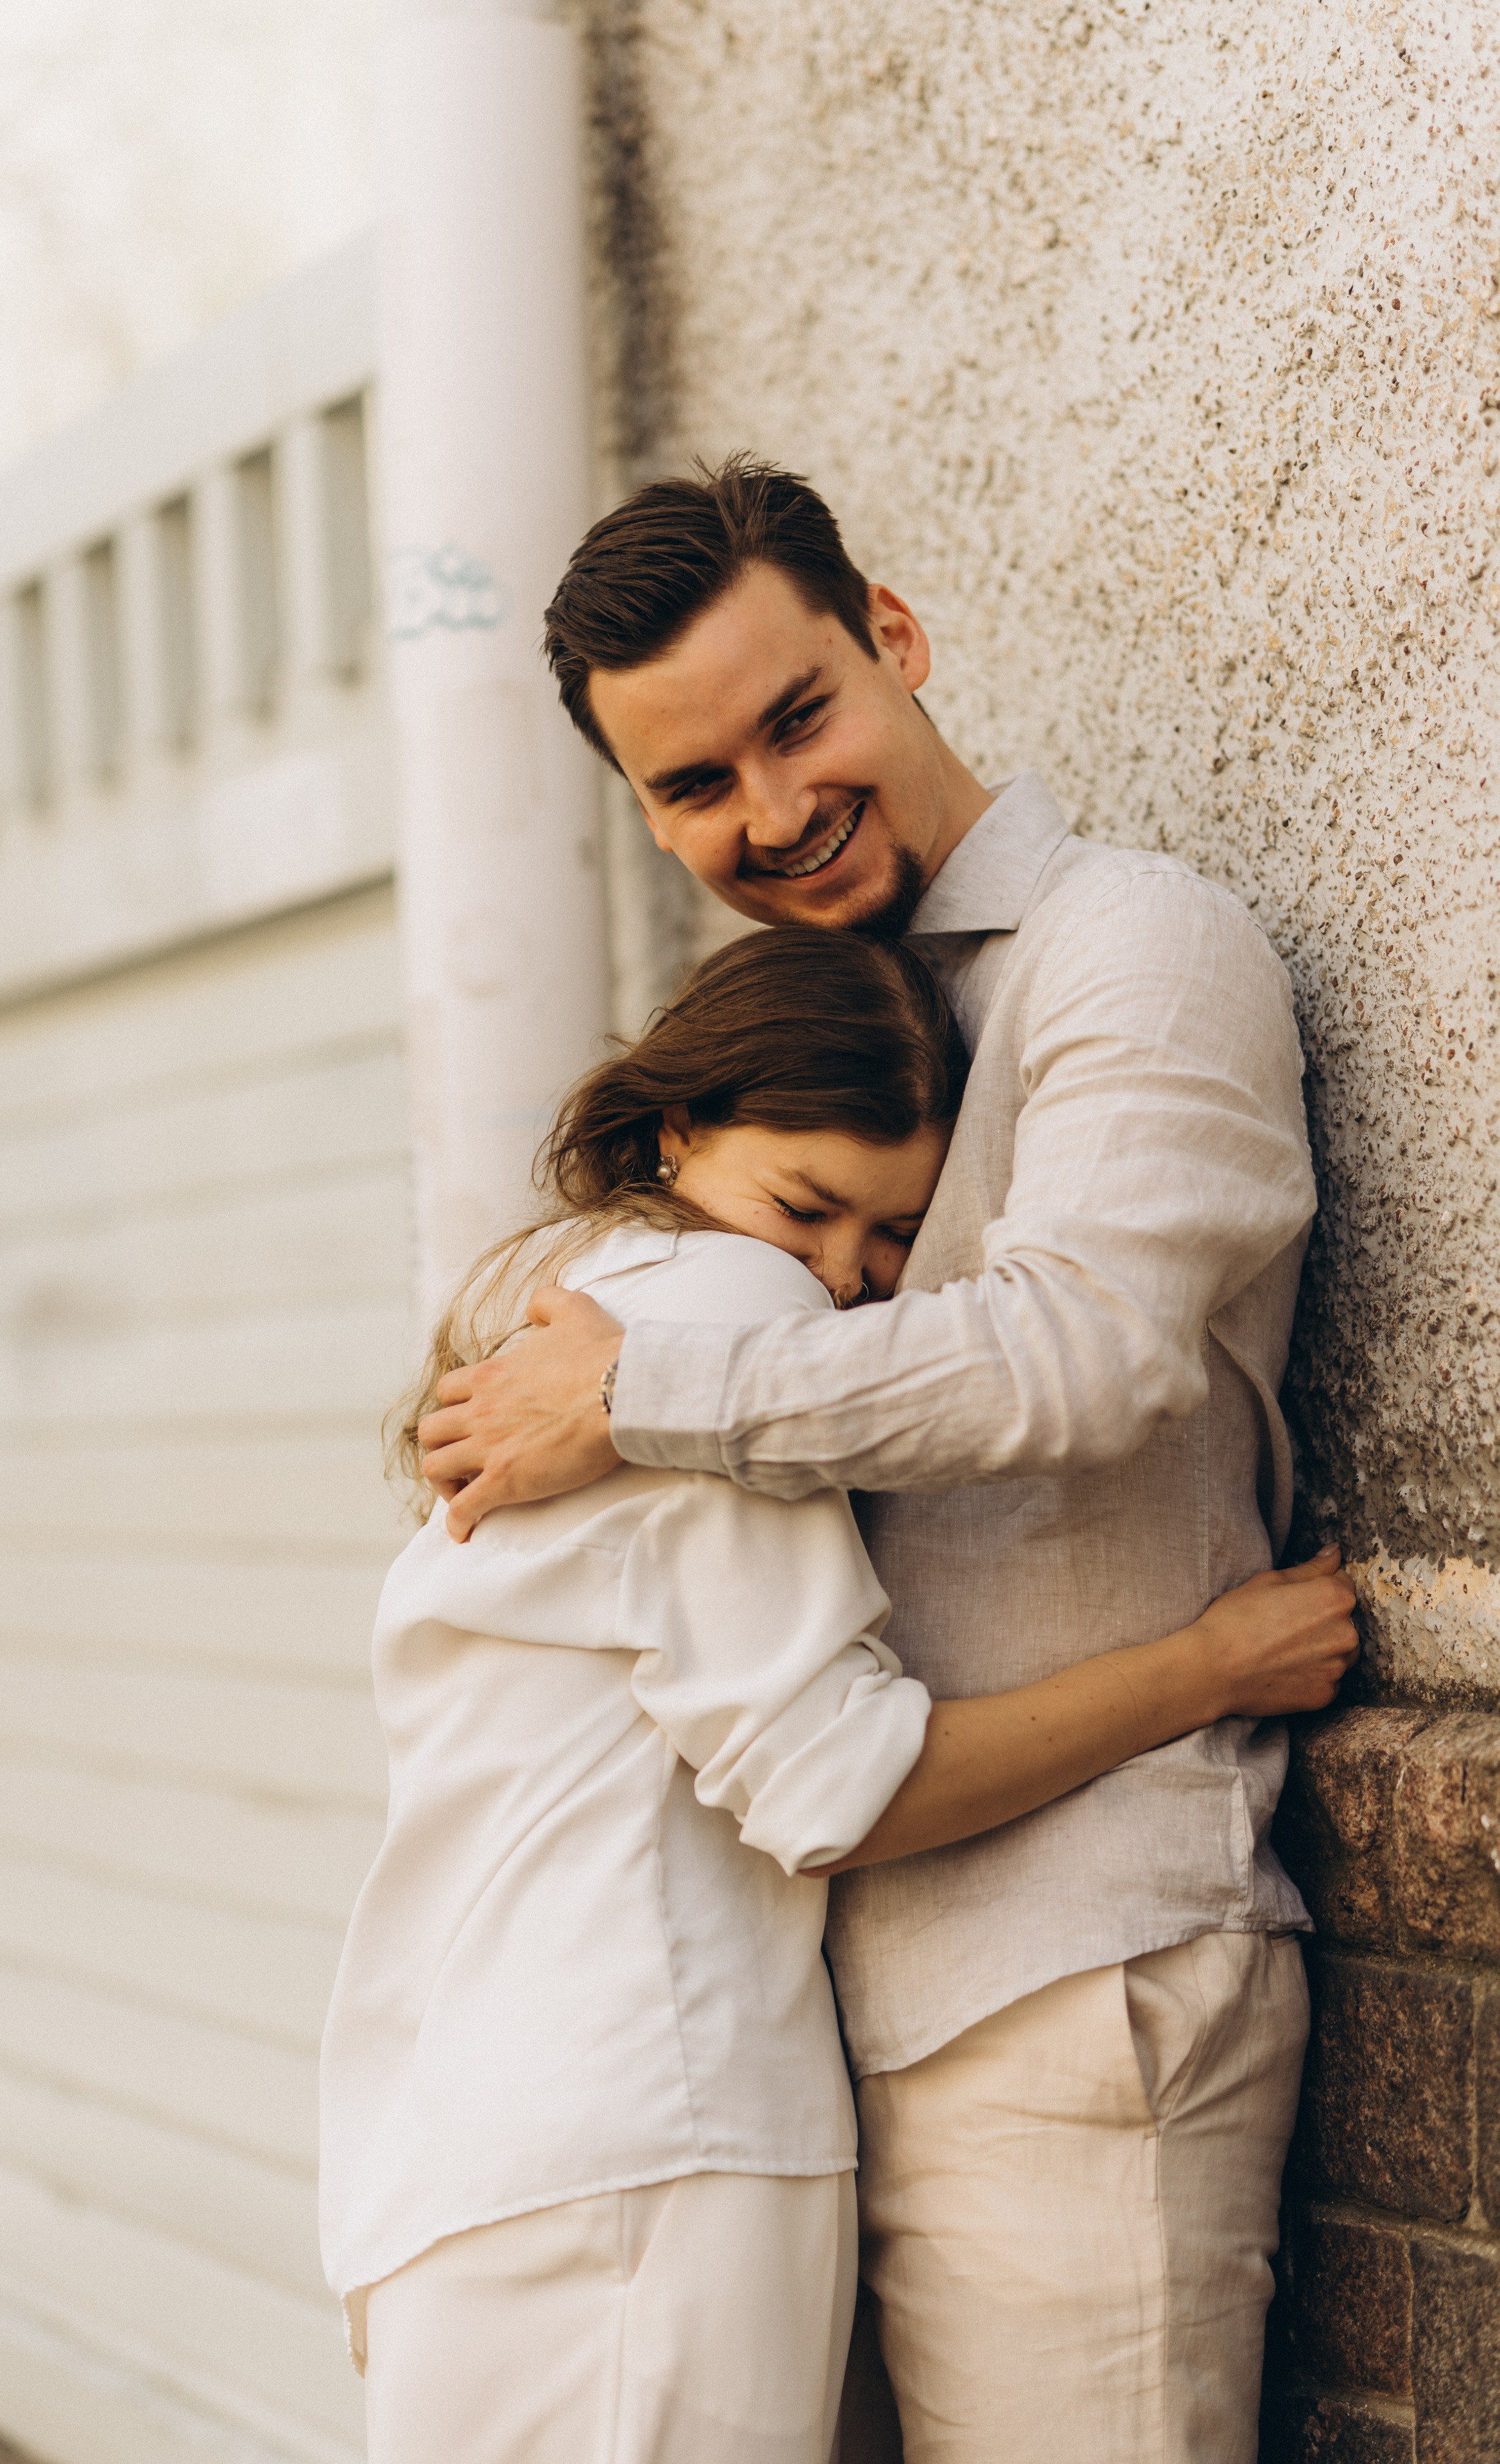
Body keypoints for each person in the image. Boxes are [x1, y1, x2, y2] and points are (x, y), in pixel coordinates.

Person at [417, 459, 1327, 2462]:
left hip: (1079, 1977)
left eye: (799, 715)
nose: (770, 807)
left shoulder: (1134, 952)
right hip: (817, 2015)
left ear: (893, 643)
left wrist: (642, 1397)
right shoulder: (813, 1040)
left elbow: (1087, 1354)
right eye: (694, 785)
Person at [320, 929, 1357, 2464]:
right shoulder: (719, 1312)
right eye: (805, 1204)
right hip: (635, 2135)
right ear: (679, 1126)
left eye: (886, 1240)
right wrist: (1202, 1667)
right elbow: (841, 1790)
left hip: (473, 2135)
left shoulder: (576, 1290)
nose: (837, 1277)